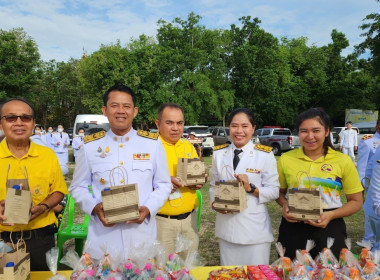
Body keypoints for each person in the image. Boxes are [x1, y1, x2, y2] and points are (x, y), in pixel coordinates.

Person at [69, 84, 172, 260]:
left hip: (141, 237)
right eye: (114, 105)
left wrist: (148, 208)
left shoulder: (152, 143)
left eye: (126, 106)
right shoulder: (90, 146)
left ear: (135, 111)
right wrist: (94, 208)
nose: (120, 111)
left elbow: (163, 184)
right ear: (105, 110)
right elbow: (77, 187)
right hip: (103, 239)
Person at [276, 108, 363, 260]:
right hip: (294, 226)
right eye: (304, 131)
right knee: (291, 272)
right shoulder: (286, 158)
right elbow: (279, 192)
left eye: (316, 130)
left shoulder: (342, 160)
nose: (310, 136)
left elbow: (356, 201)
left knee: (331, 273)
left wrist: (331, 215)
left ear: (327, 131)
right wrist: (284, 204)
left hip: (330, 225)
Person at [0, 98, 67, 271]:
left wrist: (43, 207)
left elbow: (59, 190)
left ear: (33, 124)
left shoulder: (47, 155)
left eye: (25, 118)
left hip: (40, 238)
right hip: (1, 240)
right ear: (1, 124)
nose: (19, 123)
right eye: (11, 118)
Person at [209, 108, 280, 266]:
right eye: (234, 126)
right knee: (229, 274)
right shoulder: (219, 154)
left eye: (245, 126)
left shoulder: (264, 154)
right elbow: (213, 185)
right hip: (226, 228)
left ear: (253, 128)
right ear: (229, 127)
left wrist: (251, 188)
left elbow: (274, 191)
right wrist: (215, 204)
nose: (239, 131)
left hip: (254, 231)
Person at [154, 103, 205, 258]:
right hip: (161, 221)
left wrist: (201, 178)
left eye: (180, 123)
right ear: (158, 124)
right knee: (161, 270)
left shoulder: (188, 146)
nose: (175, 128)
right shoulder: (149, 147)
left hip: (189, 219)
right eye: (169, 123)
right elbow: (138, 181)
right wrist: (163, 182)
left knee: (187, 270)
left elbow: (197, 173)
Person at [357, 119, 380, 247]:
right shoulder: (369, 142)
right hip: (372, 185)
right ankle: (368, 247)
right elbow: (361, 166)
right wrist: (361, 188)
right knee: (371, 217)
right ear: (378, 127)